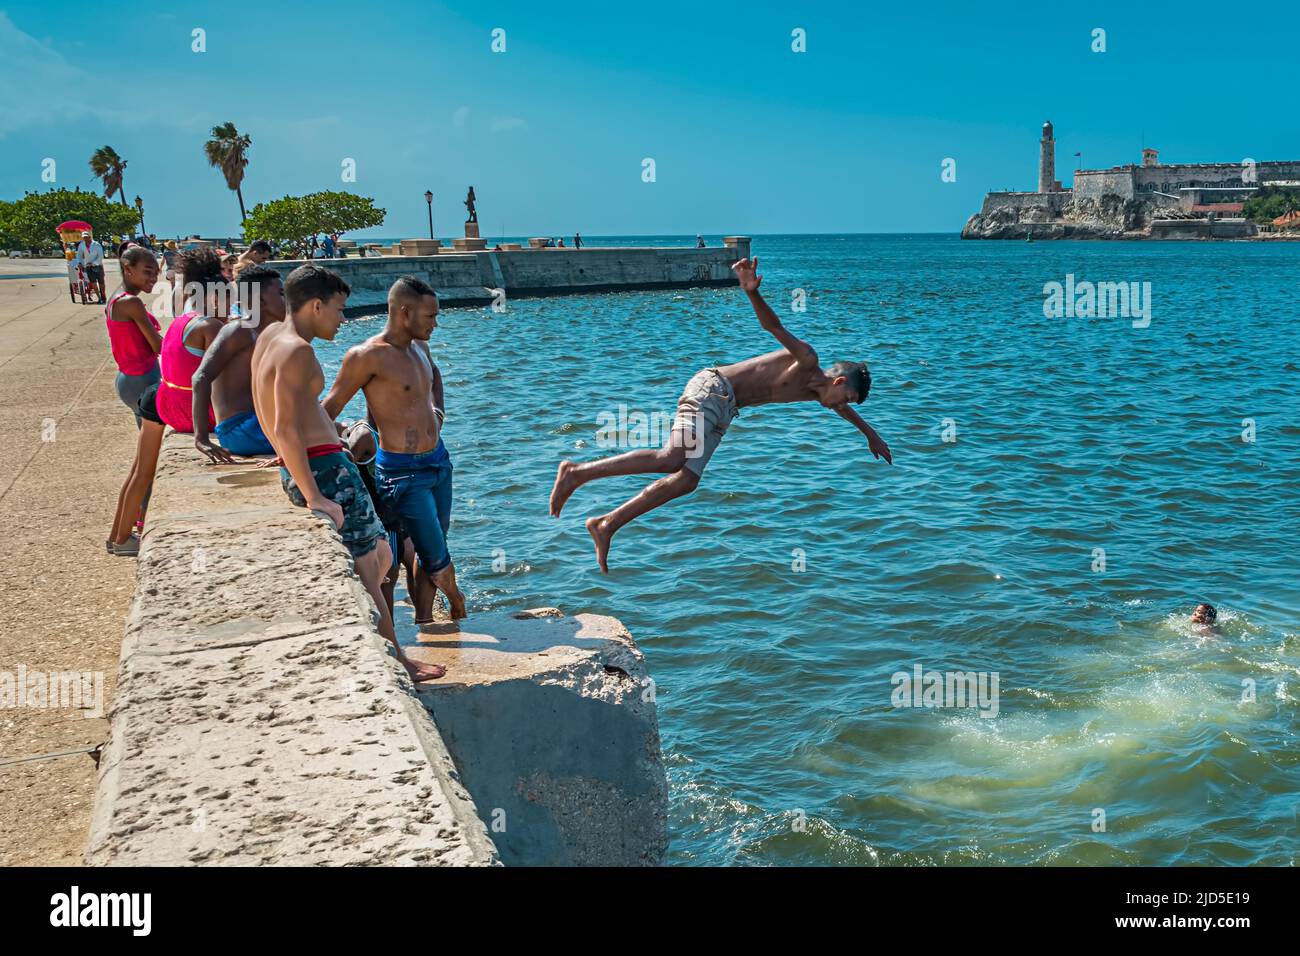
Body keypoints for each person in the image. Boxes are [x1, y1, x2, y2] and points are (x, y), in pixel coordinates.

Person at [549, 257, 892, 572]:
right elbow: (773, 326)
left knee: (686, 480)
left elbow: (844, 409)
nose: (837, 405)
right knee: (671, 458)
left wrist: (870, 434)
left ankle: (607, 524)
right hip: (712, 388)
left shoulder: (820, 394)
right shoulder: (806, 360)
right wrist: (752, 293)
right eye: (843, 397)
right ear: (839, 380)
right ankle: (576, 472)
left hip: (726, 410)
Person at [251, 265, 443, 682]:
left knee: (382, 555)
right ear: (315, 305)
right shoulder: (297, 351)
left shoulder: (269, 337)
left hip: (317, 459)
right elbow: (285, 426)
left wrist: (325, 435)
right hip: (323, 470)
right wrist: (315, 495)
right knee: (369, 565)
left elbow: (273, 412)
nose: (343, 318)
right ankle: (398, 660)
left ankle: (388, 648)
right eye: (338, 309)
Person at [323, 275, 466, 621]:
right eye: (430, 316)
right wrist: (298, 447)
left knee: (433, 547)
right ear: (404, 312)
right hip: (402, 472)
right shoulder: (365, 357)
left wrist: (438, 411)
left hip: (438, 461)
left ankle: (424, 620)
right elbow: (329, 407)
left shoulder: (421, 348)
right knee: (436, 554)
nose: (436, 323)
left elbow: (434, 377)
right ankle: (459, 605)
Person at [106, 248, 230, 555]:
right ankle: (132, 531)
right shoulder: (208, 325)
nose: (233, 306)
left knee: (140, 470)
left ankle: (117, 538)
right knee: (143, 472)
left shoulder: (178, 318)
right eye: (229, 298)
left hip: (148, 390)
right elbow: (220, 380)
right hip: (146, 384)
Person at [192, 265, 286, 461]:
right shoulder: (239, 331)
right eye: (281, 293)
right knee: (321, 436)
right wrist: (201, 438)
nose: (289, 301)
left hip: (260, 423)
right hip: (239, 430)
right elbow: (200, 377)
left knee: (329, 427)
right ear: (260, 300)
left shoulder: (273, 333)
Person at [105, 246, 163, 426]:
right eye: (147, 272)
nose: (153, 278)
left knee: (147, 440)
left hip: (131, 378)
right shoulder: (131, 302)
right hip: (140, 378)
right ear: (128, 269)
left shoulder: (118, 297)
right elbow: (158, 346)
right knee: (152, 443)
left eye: (156, 273)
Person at [75, 231, 107, 303]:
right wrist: (79, 262)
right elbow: (79, 255)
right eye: (84, 238)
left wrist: (94, 263)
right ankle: (99, 298)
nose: (85, 239)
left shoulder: (96, 244)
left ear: (90, 237)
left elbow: (101, 256)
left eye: (86, 237)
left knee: (101, 282)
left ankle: (103, 295)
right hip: (88, 266)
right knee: (93, 282)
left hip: (98, 266)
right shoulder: (81, 245)